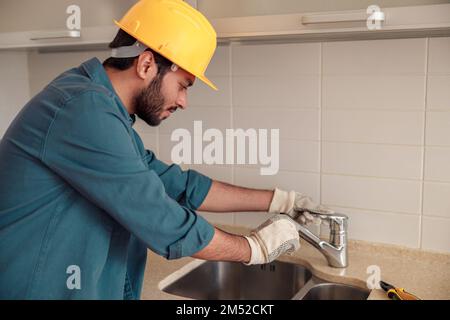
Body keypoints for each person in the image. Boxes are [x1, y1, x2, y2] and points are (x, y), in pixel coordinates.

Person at [0, 0, 332, 299]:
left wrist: (281, 201)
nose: (184, 102)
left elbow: (176, 186)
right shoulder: (82, 109)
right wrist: (254, 248)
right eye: (184, 85)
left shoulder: (104, 111)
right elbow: (160, 218)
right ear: (146, 64)